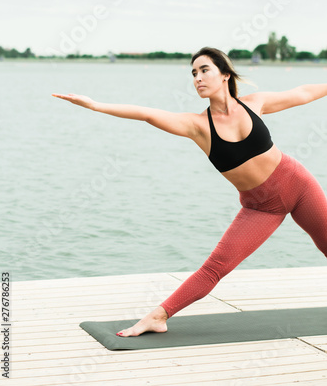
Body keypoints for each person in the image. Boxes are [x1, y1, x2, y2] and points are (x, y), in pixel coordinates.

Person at [52, 46, 327, 338]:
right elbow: (147, 114)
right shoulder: (198, 126)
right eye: (193, 73)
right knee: (215, 267)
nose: (197, 77)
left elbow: (302, 93)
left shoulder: (254, 103)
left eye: (204, 70)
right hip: (260, 207)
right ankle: (158, 316)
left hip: (297, 184)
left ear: (224, 74)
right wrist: (96, 105)